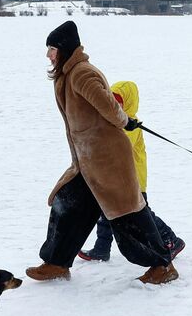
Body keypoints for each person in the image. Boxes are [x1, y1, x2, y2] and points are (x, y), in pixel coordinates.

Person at [25, 21, 178, 285]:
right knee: (67, 206)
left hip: (108, 161)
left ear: (63, 49)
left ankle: (162, 265)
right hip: (86, 162)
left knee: (128, 216)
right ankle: (56, 263)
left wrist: (125, 120)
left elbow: (108, 104)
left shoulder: (82, 73)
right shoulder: (67, 74)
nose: (48, 55)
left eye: (51, 49)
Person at [78, 80, 185, 262]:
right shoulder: (114, 123)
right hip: (116, 179)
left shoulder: (131, 127)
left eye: (119, 101)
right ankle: (101, 248)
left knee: (143, 215)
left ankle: (171, 239)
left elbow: (114, 146)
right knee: (106, 211)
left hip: (132, 180)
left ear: (127, 103)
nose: (115, 105)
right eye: (112, 101)